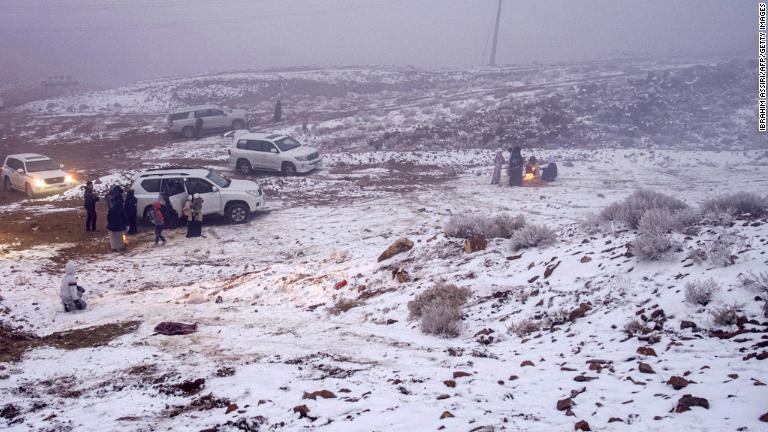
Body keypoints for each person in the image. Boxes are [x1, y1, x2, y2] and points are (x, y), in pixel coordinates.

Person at [106, 186, 128, 252]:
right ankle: (121, 247)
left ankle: (113, 248)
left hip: (112, 226)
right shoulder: (122, 209)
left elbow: (108, 218)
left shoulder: (111, 210)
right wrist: (127, 224)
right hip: (120, 226)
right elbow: (125, 217)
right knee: (120, 236)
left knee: (113, 237)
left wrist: (110, 223)